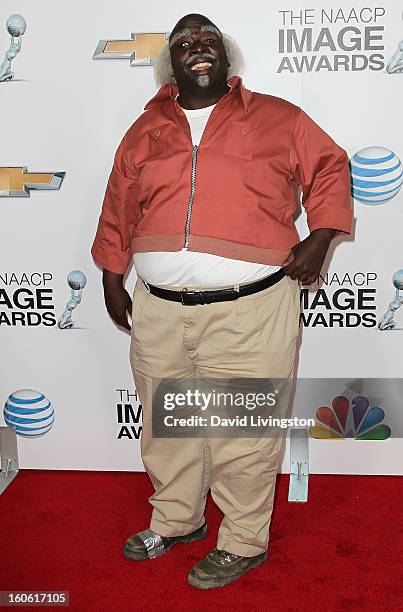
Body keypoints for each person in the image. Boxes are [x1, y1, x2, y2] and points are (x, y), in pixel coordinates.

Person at [91, 13, 352, 589]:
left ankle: (241, 540)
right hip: (158, 307)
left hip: (251, 308)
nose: (197, 49)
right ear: (171, 64)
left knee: (243, 431)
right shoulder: (144, 130)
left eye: (207, 40)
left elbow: (331, 166)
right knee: (170, 426)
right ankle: (179, 520)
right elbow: (118, 204)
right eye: (184, 43)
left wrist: (322, 233)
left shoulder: (278, 118)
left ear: (227, 58)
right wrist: (113, 273)